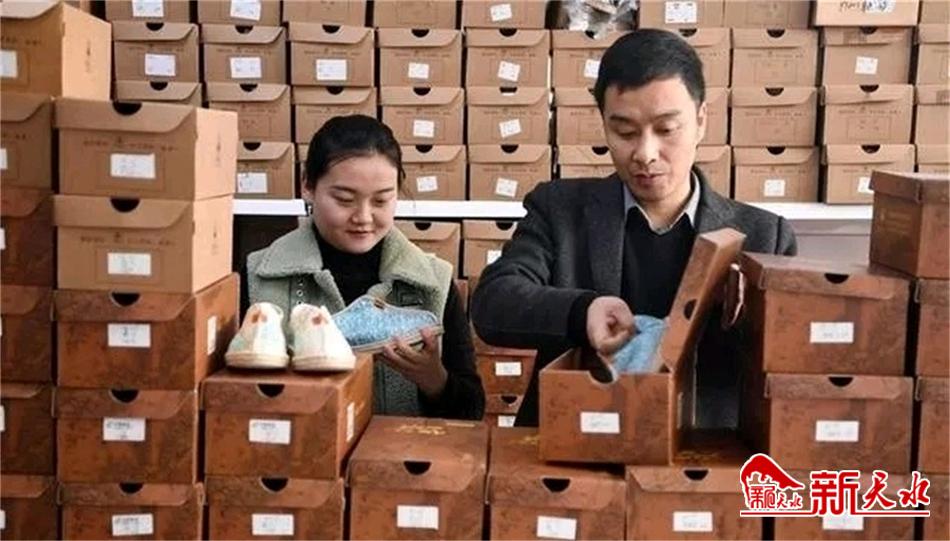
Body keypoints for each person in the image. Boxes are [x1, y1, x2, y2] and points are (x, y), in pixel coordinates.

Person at [470, 29, 797, 428]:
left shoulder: (764, 235)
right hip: (573, 439)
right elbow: (493, 303)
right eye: (624, 132)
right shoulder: (560, 210)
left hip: (703, 451)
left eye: (666, 129)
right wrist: (582, 311)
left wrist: (750, 317)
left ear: (701, 121)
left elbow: (790, 361)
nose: (645, 153)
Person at [243, 114, 484, 420]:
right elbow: (227, 400)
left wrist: (435, 380)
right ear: (307, 185)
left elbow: (472, 411)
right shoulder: (259, 278)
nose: (363, 217)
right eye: (344, 200)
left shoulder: (432, 282)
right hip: (296, 449)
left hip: (397, 451)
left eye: (381, 201)